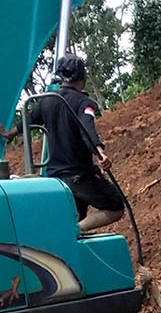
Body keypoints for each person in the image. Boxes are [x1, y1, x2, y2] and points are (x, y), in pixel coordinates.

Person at [25, 53, 127, 232]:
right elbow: (87, 128)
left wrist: (7, 132)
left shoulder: (46, 101)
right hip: (79, 176)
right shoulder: (84, 102)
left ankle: (71, 238)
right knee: (115, 205)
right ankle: (73, 232)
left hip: (56, 179)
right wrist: (100, 153)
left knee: (78, 212)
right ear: (82, 77)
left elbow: (27, 122)